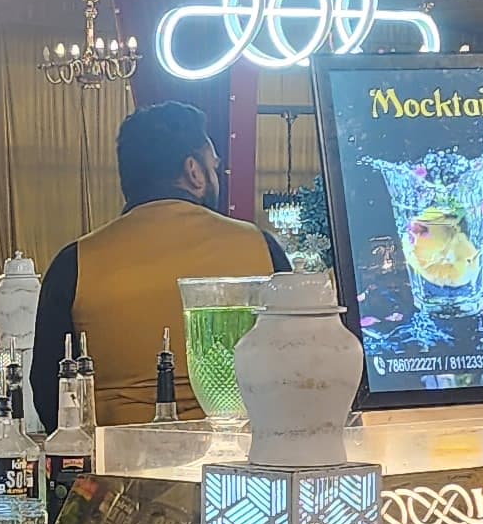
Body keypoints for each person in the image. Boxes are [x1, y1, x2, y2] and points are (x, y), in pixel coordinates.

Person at [29, 102, 288, 430]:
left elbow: (49, 393)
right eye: (214, 166)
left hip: (114, 458)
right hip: (244, 453)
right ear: (194, 171)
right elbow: (299, 362)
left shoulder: (74, 262)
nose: (216, 175)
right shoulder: (260, 247)